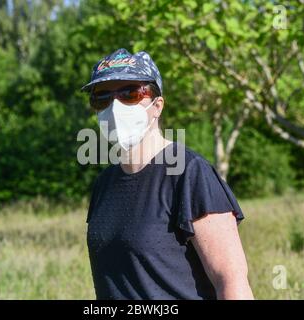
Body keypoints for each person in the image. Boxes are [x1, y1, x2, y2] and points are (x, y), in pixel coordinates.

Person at [80, 48, 254, 300]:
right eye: (101, 97)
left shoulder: (190, 174)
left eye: (129, 93)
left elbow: (232, 283)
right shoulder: (104, 184)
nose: (114, 107)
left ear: (157, 106)